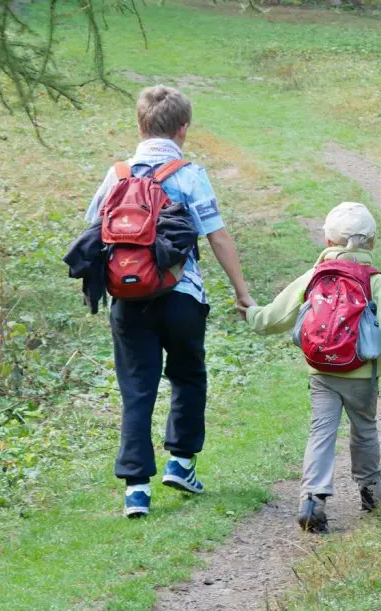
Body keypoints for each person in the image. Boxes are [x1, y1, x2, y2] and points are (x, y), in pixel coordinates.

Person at [85, 85, 255, 517]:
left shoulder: (118, 173)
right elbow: (216, 234)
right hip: (181, 296)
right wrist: (242, 292)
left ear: (140, 125)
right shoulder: (189, 173)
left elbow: (94, 228)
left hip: (127, 297)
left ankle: (136, 491)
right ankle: (181, 463)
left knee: (137, 388)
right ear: (184, 128)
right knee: (188, 375)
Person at [239, 202, 381, 532]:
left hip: (322, 371)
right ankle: (370, 488)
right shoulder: (374, 280)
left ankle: (312, 498)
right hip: (361, 373)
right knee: (364, 430)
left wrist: (253, 314)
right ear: (373, 243)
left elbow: (279, 314)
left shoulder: (315, 275)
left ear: (327, 243)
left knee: (321, 432)